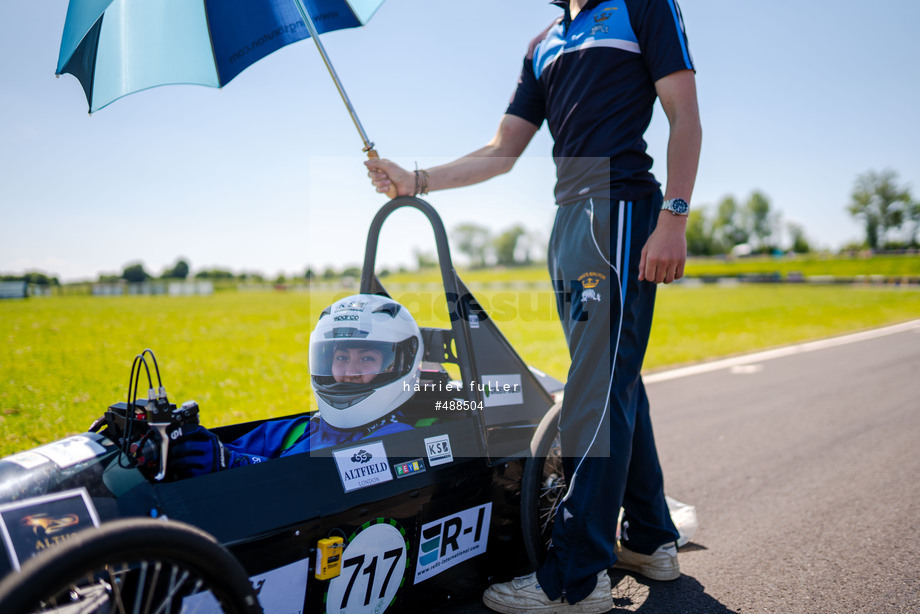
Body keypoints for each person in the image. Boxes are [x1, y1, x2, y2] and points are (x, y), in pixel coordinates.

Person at [365, 1, 701, 612]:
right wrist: (416, 179)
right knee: (613, 377)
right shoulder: (542, 42)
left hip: (619, 203)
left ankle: (574, 578)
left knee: (595, 384)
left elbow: (684, 115)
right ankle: (651, 538)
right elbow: (502, 150)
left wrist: (674, 217)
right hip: (568, 218)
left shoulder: (642, 5)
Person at [167, 294, 424, 479]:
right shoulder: (298, 430)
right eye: (341, 357)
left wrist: (233, 464)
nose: (349, 372)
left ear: (398, 365)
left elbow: (324, 481)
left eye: (367, 358)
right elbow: (223, 452)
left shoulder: (399, 440)